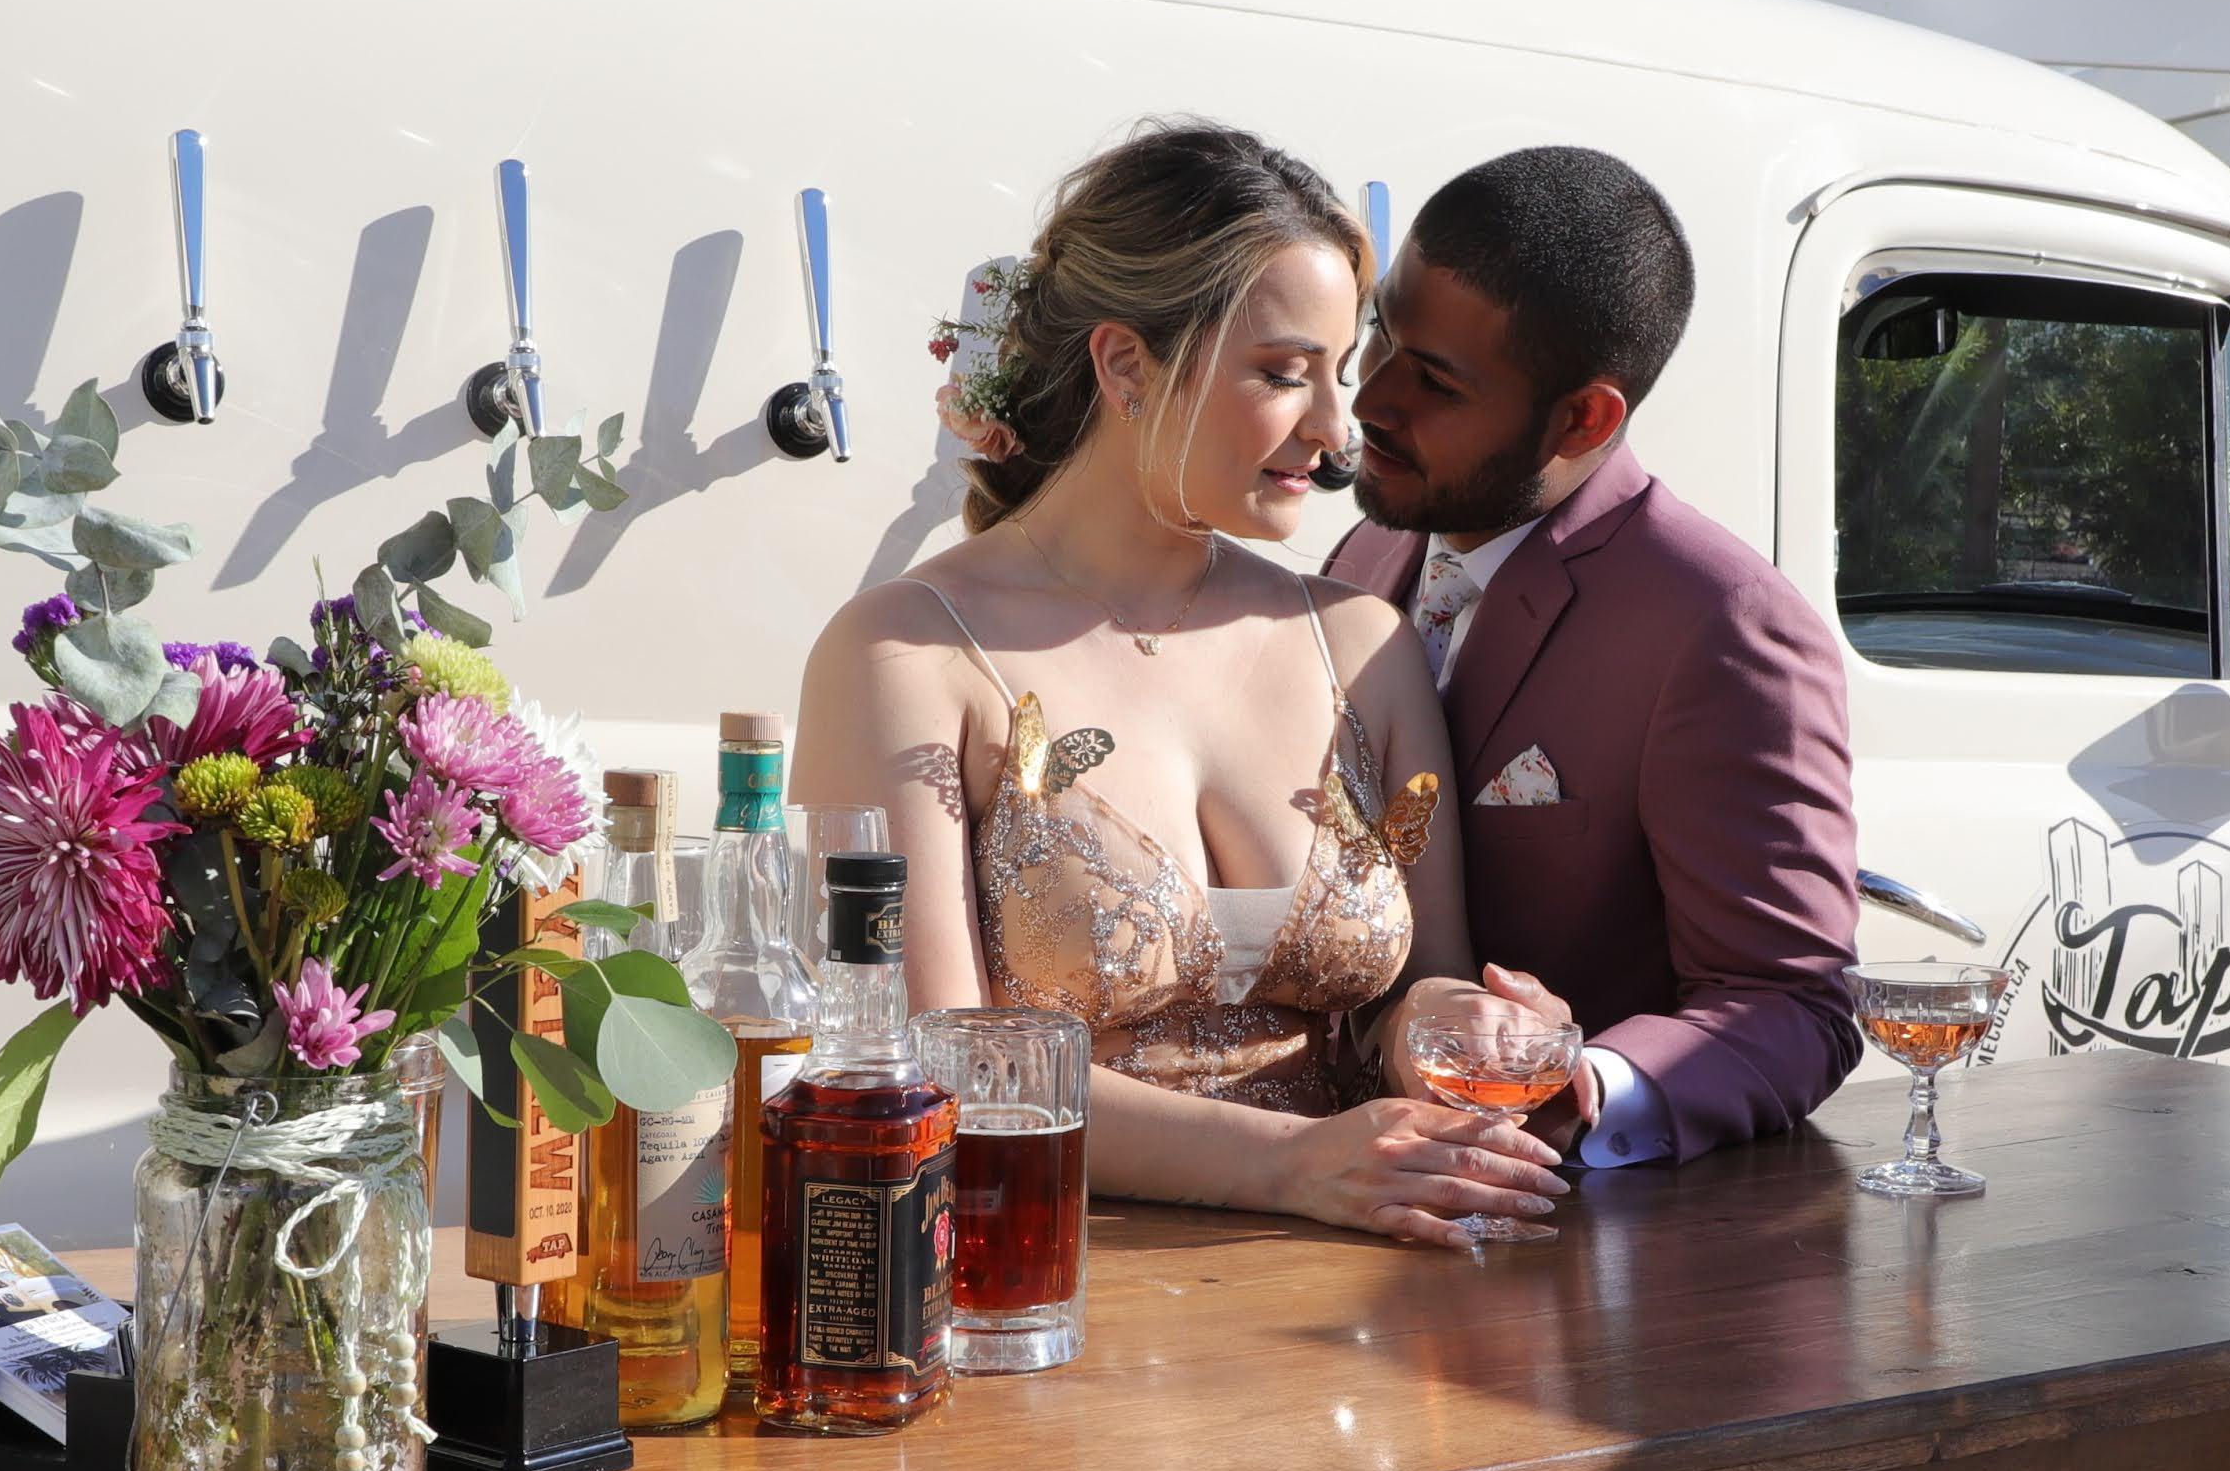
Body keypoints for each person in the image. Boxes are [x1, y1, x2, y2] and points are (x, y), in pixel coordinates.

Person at [792, 122, 1575, 1247]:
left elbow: (1409, 999)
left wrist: (1464, 1024)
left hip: (1367, 1279)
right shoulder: (905, 656)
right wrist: (1289, 1164)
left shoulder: (1360, 643)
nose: (1335, 430)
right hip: (1049, 1281)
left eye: (1339, 374)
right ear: (1124, 364)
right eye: (1282, 374)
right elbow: (935, 1063)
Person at [1324, 146, 1862, 1162]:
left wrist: (1579, 1082)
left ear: (1585, 417)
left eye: (1435, 379)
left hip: (1554, 1227)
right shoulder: (1368, 551)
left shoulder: (1722, 624)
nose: (1371, 399)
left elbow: (1791, 1004)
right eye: (1381, 331)